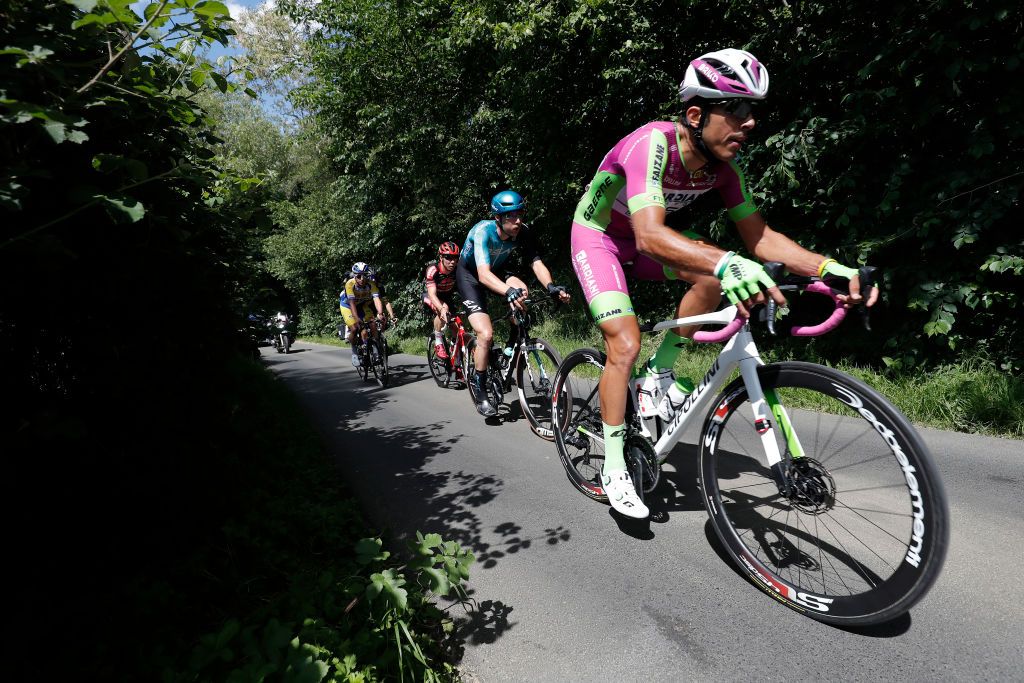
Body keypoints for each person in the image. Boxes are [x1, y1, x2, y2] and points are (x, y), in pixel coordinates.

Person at [569, 48, 877, 519]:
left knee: (714, 269)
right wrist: (729, 263)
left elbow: (763, 238)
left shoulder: (724, 167)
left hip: (646, 239)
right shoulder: (651, 144)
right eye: (736, 108)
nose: (749, 121)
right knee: (625, 344)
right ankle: (614, 466)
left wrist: (832, 270)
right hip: (601, 240)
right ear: (696, 114)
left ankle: (660, 374)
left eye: (751, 110)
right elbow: (650, 234)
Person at [457, 190, 571, 417]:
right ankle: (480, 388)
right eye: (510, 216)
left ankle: (511, 346)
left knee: (522, 292)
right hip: (471, 275)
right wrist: (507, 290)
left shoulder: (523, 232)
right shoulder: (483, 232)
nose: (517, 220)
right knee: (485, 335)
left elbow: (536, 263)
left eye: (520, 214)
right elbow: (483, 275)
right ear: (498, 218)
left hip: (499, 270)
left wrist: (551, 287)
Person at [339, 261, 385, 367]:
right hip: (348, 307)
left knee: (373, 323)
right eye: (359, 276)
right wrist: (356, 318)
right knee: (355, 328)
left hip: (362, 305)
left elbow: (376, 299)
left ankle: (375, 350)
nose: (362, 279)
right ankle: (354, 352)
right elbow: (351, 303)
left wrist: (380, 313)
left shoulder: (371, 284)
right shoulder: (350, 284)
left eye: (364, 276)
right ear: (354, 276)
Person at [423, 241, 461, 360]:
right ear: (441, 257)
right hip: (431, 296)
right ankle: (438, 342)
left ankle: (454, 350)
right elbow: (432, 295)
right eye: (448, 258)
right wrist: (441, 308)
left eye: (455, 258)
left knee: (457, 326)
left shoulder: (457, 269)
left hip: (447, 296)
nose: (452, 261)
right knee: (444, 309)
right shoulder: (433, 270)